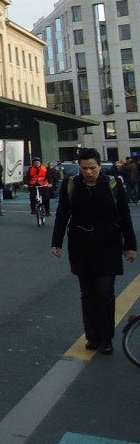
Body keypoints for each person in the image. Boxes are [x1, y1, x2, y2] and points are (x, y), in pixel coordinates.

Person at [50, 147, 137, 354]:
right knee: (88, 295)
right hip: (81, 248)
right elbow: (63, 213)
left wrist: (130, 245)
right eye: (84, 168)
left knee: (105, 292)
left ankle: (106, 338)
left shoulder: (113, 184)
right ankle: (93, 337)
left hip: (108, 246)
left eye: (92, 168)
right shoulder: (71, 184)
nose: (88, 172)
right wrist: (57, 241)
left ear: (100, 167)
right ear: (79, 167)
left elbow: (124, 214)